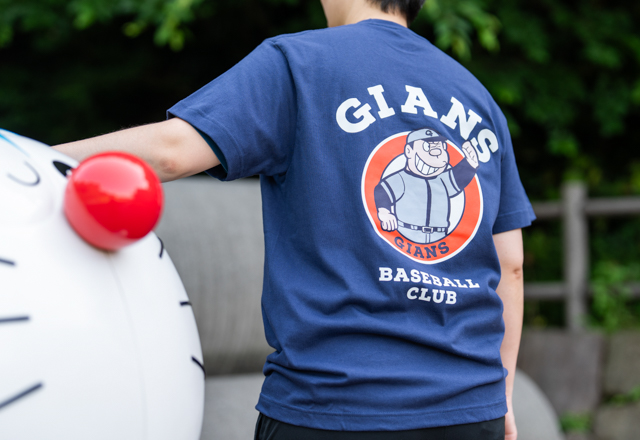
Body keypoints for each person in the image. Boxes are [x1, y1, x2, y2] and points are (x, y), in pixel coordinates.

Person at [54, 0, 535, 439]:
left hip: (334, 404)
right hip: (470, 410)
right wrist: (505, 394)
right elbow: (509, 264)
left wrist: (29, 156)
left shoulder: (300, 63)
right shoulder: (477, 97)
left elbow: (172, 152)